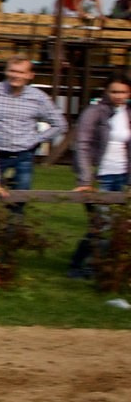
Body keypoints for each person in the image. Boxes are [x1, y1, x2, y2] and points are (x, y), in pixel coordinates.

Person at [69, 74, 130, 279]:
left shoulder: (128, 114)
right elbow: (82, 144)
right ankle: (79, 265)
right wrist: (85, 179)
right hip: (101, 175)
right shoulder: (95, 112)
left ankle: (105, 267)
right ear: (106, 91)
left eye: (123, 92)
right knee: (101, 224)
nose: (118, 96)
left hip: (123, 175)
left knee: (122, 225)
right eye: (114, 91)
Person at [0, 57, 66, 197]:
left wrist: (35, 139)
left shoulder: (38, 98)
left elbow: (60, 124)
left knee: (21, 197)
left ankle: (17, 218)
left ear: (30, 75)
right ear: (6, 71)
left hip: (24, 154)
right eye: (12, 71)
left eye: (21, 72)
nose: (15, 75)